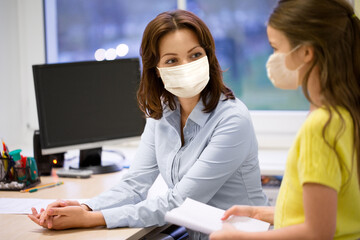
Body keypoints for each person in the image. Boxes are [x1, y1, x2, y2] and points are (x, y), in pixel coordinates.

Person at [28, 9, 268, 239]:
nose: (185, 66)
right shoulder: (163, 113)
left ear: (209, 56)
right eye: (172, 60)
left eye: (195, 55)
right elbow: (135, 185)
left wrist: (91, 218)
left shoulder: (232, 119)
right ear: (157, 70)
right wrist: (85, 206)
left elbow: (180, 203)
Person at [210, 0, 360, 239]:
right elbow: (327, 211)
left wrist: (240, 237)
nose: (273, 58)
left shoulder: (321, 126)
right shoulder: (346, 113)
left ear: (306, 52)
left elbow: (317, 232)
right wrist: (259, 213)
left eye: (276, 48)